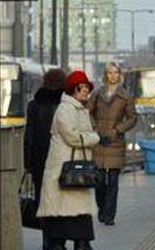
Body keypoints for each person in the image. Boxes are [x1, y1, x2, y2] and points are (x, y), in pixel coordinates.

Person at [36, 70, 101, 250]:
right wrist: (95, 138)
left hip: (74, 169)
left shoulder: (79, 108)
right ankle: (74, 243)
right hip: (65, 170)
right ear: (73, 89)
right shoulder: (65, 109)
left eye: (87, 87)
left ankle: (78, 243)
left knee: (73, 210)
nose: (86, 91)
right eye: (82, 87)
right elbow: (72, 136)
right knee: (65, 209)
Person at [88, 63, 137, 226]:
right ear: (105, 75)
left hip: (115, 141)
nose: (113, 75)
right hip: (99, 141)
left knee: (113, 181)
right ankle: (102, 209)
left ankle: (109, 215)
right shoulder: (96, 93)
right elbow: (88, 113)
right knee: (100, 181)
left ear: (119, 75)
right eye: (110, 73)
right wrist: (95, 129)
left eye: (116, 72)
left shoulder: (126, 96)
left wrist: (118, 129)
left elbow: (132, 118)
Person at [24, 68, 67, 250]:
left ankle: (47, 241)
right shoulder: (66, 105)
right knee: (62, 202)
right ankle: (59, 241)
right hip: (63, 161)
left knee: (44, 202)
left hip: (40, 163)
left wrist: (28, 164)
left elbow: (29, 137)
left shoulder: (34, 106)